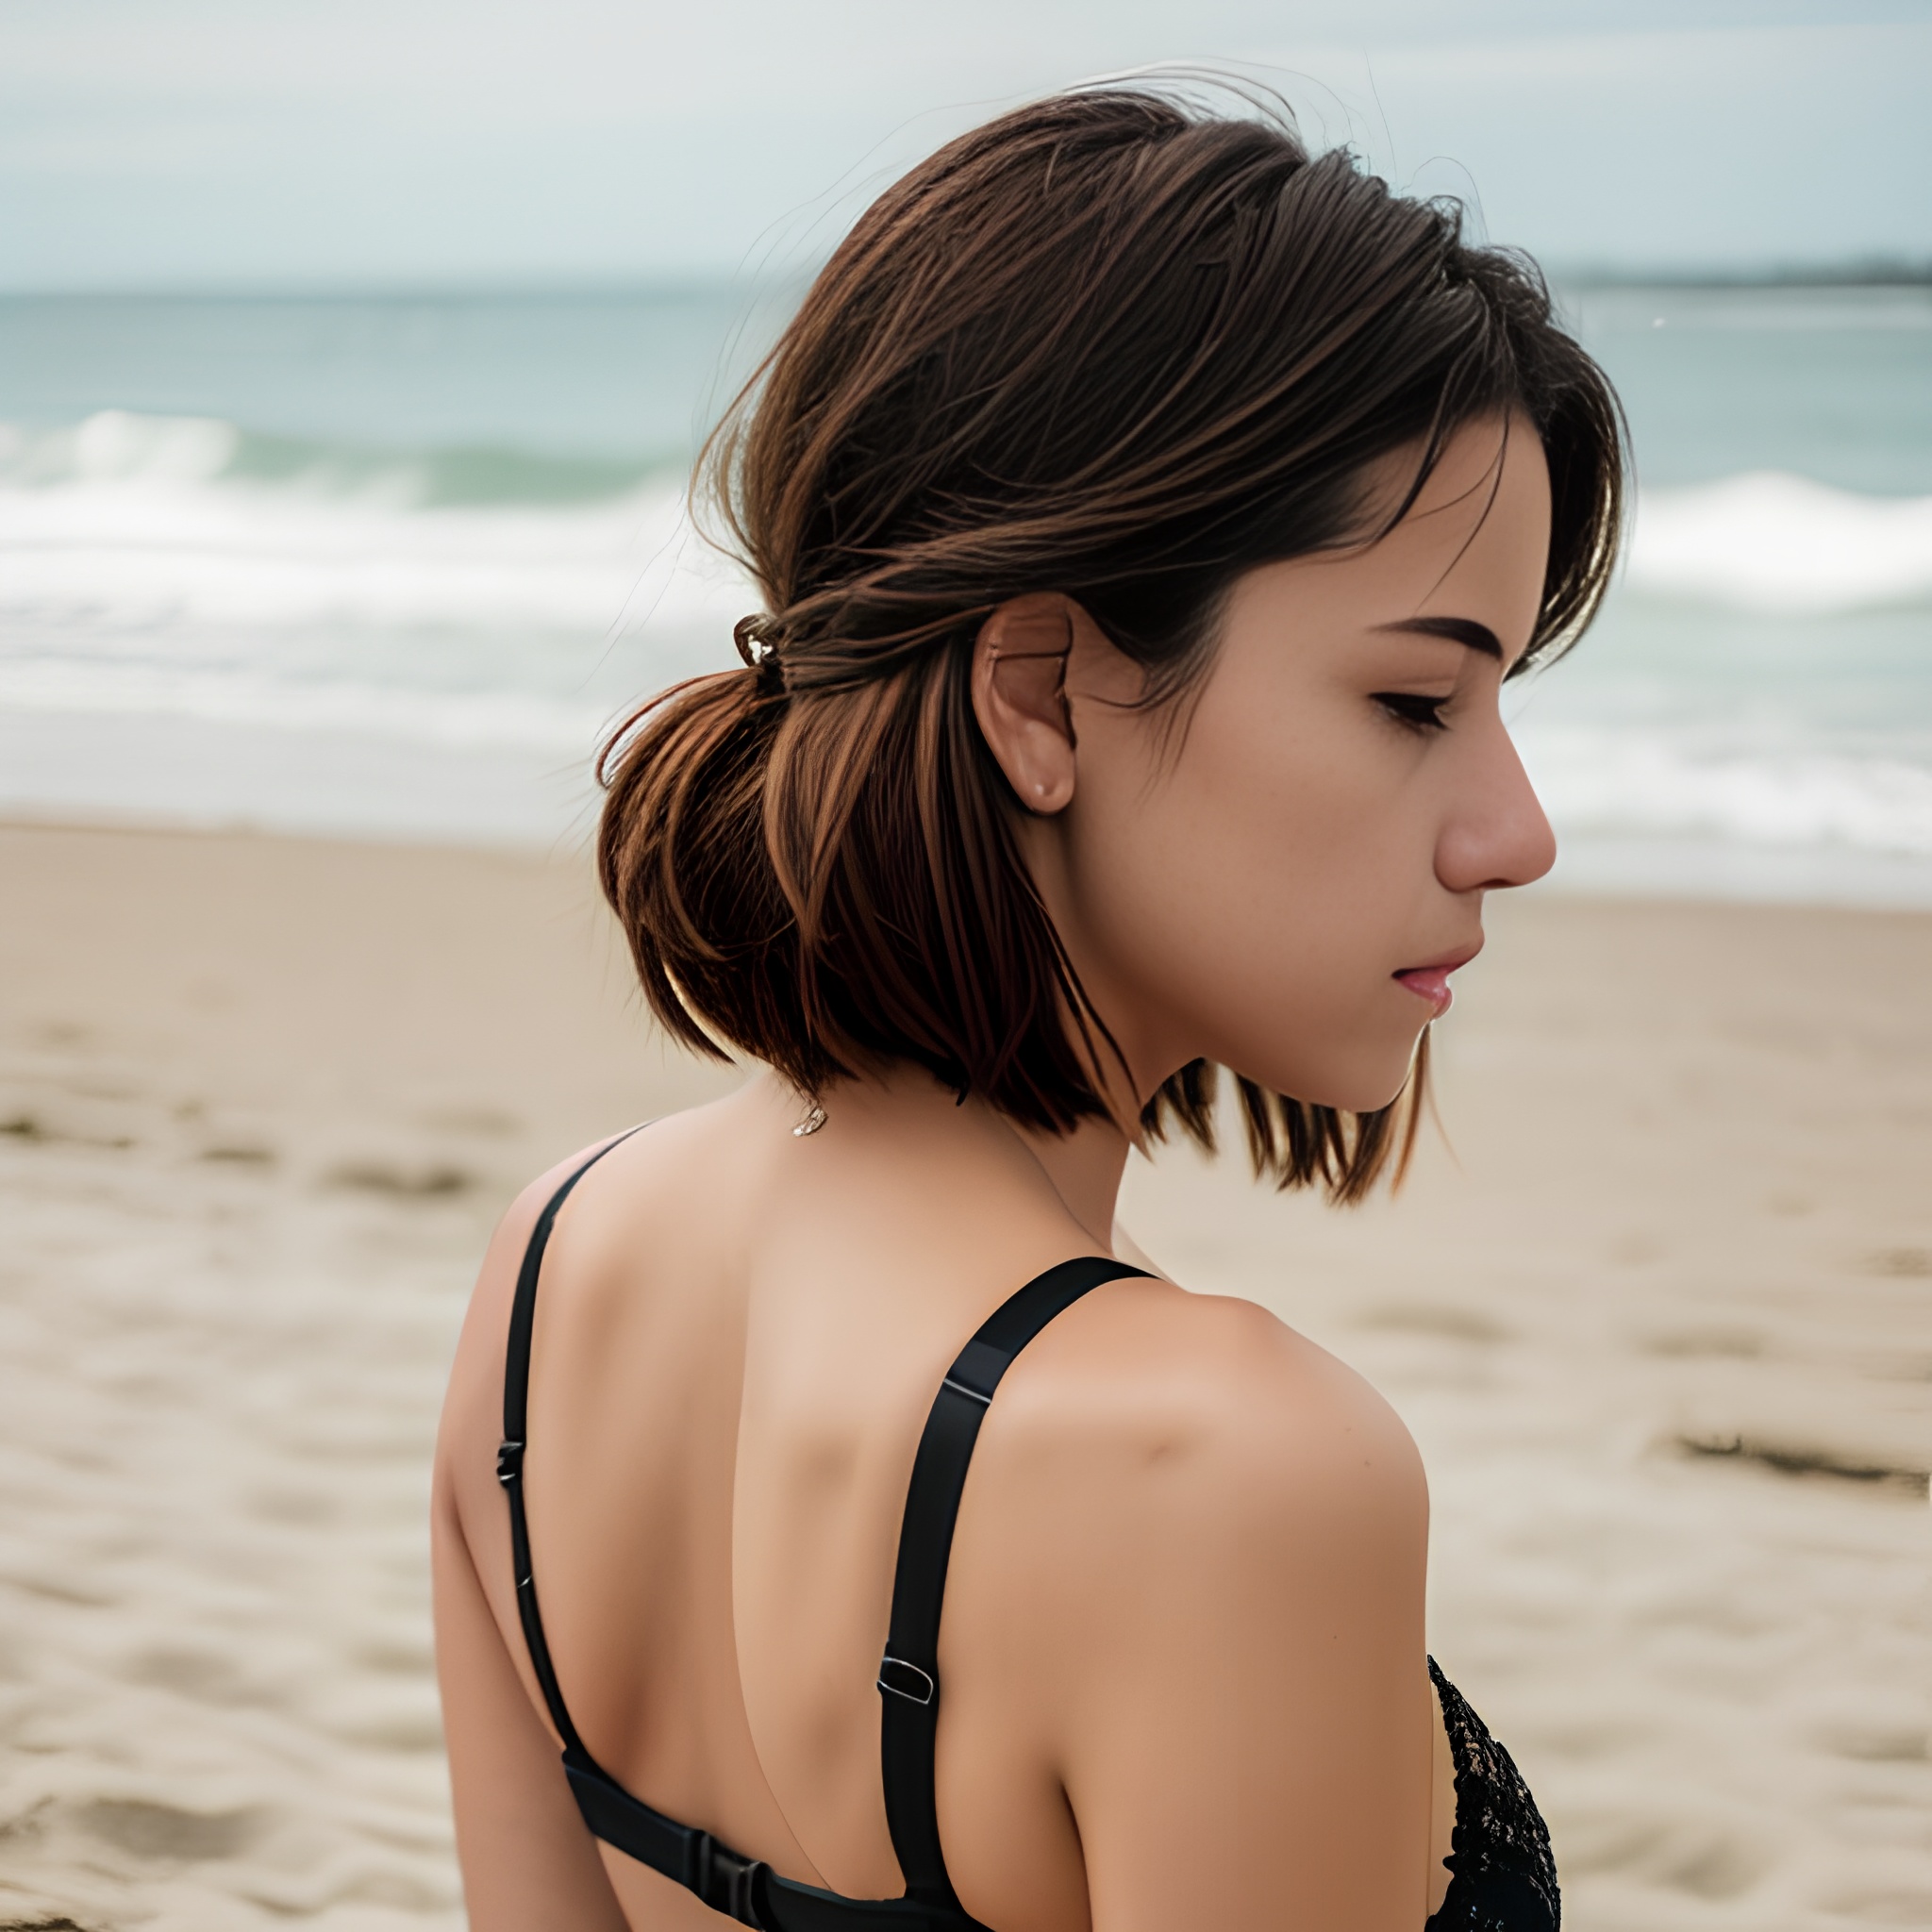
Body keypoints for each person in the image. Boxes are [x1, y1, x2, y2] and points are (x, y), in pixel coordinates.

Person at [432, 83, 1624, 1932]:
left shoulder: (552, 1268)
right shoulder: (1228, 1473)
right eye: (1413, 702)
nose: (1516, 832)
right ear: (1040, 694)